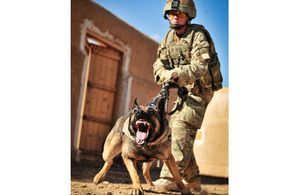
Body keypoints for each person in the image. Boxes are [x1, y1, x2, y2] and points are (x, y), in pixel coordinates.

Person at [152, 0, 223, 192]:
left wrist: (176, 73)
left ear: (188, 15)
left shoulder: (198, 35)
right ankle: (192, 180)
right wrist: (164, 73)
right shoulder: (168, 38)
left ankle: (169, 178)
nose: (175, 17)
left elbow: (201, 66)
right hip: (184, 92)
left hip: (201, 91)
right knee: (177, 132)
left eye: (180, 14)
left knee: (183, 124)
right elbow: (158, 64)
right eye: (172, 14)